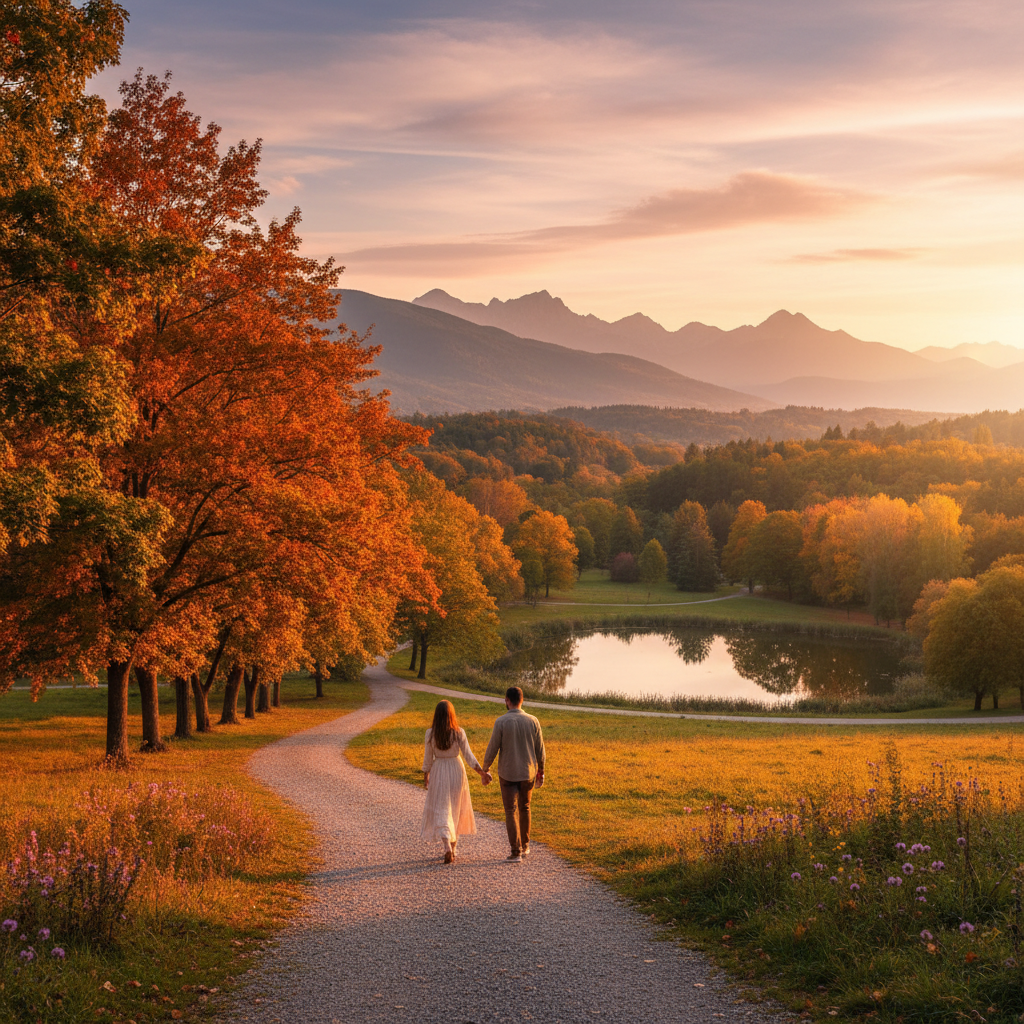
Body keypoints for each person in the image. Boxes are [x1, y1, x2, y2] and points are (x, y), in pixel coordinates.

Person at [422, 700, 491, 864]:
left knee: (441, 807)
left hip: (439, 769)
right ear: (452, 715)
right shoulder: (459, 732)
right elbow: (469, 756)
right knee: (456, 807)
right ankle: (453, 848)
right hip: (456, 770)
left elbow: (427, 758)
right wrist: (482, 773)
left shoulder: (430, 733)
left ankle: (446, 844)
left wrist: (426, 776)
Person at [482, 686, 546, 863]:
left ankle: (515, 851)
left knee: (510, 810)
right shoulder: (533, 721)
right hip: (528, 772)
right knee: (525, 807)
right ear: (522, 700)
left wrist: (485, 769)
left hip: (508, 772)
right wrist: (541, 771)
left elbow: (492, 748)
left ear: (507, 700)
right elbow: (540, 750)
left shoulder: (501, 722)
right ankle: (525, 846)